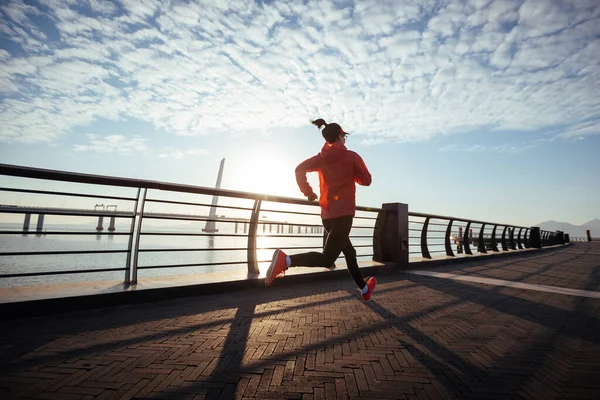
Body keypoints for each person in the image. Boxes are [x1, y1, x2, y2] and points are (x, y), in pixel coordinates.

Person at [265, 118, 377, 301]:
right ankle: (286, 260)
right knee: (327, 258)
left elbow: (298, 170)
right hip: (344, 215)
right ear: (340, 137)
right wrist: (353, 174)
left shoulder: (320, 158)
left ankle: (364, 289)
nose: (345, 140)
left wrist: (308, 192)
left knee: (349, 252)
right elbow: (367, 180)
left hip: (327, 215)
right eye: (344, 136)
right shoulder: (352, 157)